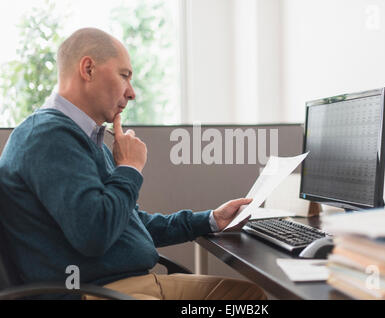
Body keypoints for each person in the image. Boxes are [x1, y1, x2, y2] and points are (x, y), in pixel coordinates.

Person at [0, 28, 266, 300]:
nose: (132, 93)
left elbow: (130, 223)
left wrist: (210, 220)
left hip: (131, 284)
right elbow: (94, 234)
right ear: (88, 69)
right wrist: (129, 169)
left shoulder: (86, 138)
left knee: (247, 298)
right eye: (124, 75)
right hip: (91, 293)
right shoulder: (48, 137)